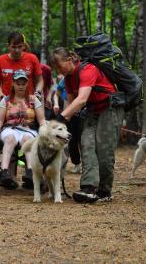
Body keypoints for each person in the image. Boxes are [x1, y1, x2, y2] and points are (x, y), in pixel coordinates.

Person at [50, 47, 124, 203]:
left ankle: (104, 191)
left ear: (69, 59)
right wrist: (64, 127)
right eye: (55, 68)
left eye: (59, 65)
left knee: (103, 149)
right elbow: (71, 102)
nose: (58, 70)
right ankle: (88, 188)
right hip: (91, 111)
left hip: (110, 108)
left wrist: (61, 117)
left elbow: (82, 99)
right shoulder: (69, 78)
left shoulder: (88, 69)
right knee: (87, 143)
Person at [0, 69, 46, 189]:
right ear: (13, 83)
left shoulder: (34, 100)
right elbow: (0, 120)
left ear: (27, 84)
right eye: (18, 83)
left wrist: (44, 128)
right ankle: (4, 171)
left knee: (27, 139)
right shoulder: (5, 100)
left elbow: (41, 120)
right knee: (10, 138)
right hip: (9, 128)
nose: (21, 86)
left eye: (23, 84)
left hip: (28, 129)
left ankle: (30, 172)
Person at [0, 32, 44, 100]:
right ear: (8, 46)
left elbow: (40, 80)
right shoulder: (0, 60)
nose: (17, 50)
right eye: (13, 47)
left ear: (23, 45)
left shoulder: (32, 58)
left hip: (28, 104)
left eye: (19, 46)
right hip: (6, 103)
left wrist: (37, 92)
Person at [53, 74, 82, 174]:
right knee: (72, 141)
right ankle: (76, 164)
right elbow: (56, 94)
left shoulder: (84, 76)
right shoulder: (65, 79)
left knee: (83, 141)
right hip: (68, 112)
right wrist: (56, 104)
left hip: (83, 112)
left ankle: (86, 166)